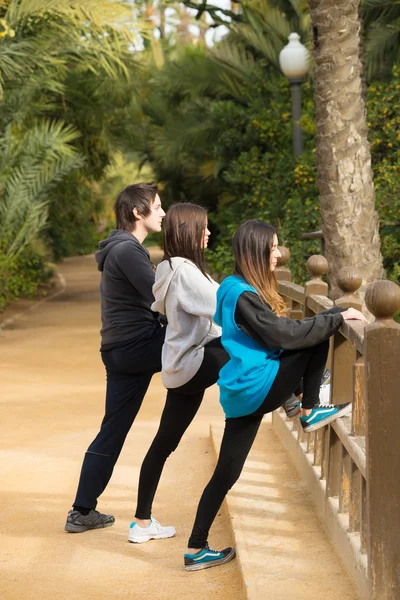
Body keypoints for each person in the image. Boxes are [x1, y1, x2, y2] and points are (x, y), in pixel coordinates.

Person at [184, 219, 366, 571]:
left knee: (227, 472)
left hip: (243, 389)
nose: (278, 254)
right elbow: (285, 337)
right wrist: (336, 314)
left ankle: (195, 549)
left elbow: (267, 336)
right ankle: (309, 408)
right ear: (255, 251)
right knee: (313, 336)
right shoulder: (243, 296)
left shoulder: (231, 287)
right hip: (256, 385)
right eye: (272, 249)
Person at [65, 183, 166, 533]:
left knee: (112, 431)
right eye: (157, 207)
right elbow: (161, 297)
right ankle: (291, 395)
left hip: (120, 350)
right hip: (139, 344)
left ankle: (82, 511)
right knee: (214, 341)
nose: (163, 213)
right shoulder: (127, 250)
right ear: (138, 213)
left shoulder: (120, 249)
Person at [127, 203, 229, 544]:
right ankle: (297, 398)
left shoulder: (170, 267)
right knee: (244, 344)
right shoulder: (184, 271)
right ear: (187, 231)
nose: (209, 233)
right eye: (203, 228)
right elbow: (223, 309)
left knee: (162, 445)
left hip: (180, 367)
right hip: (193, 362)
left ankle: (141, 522)